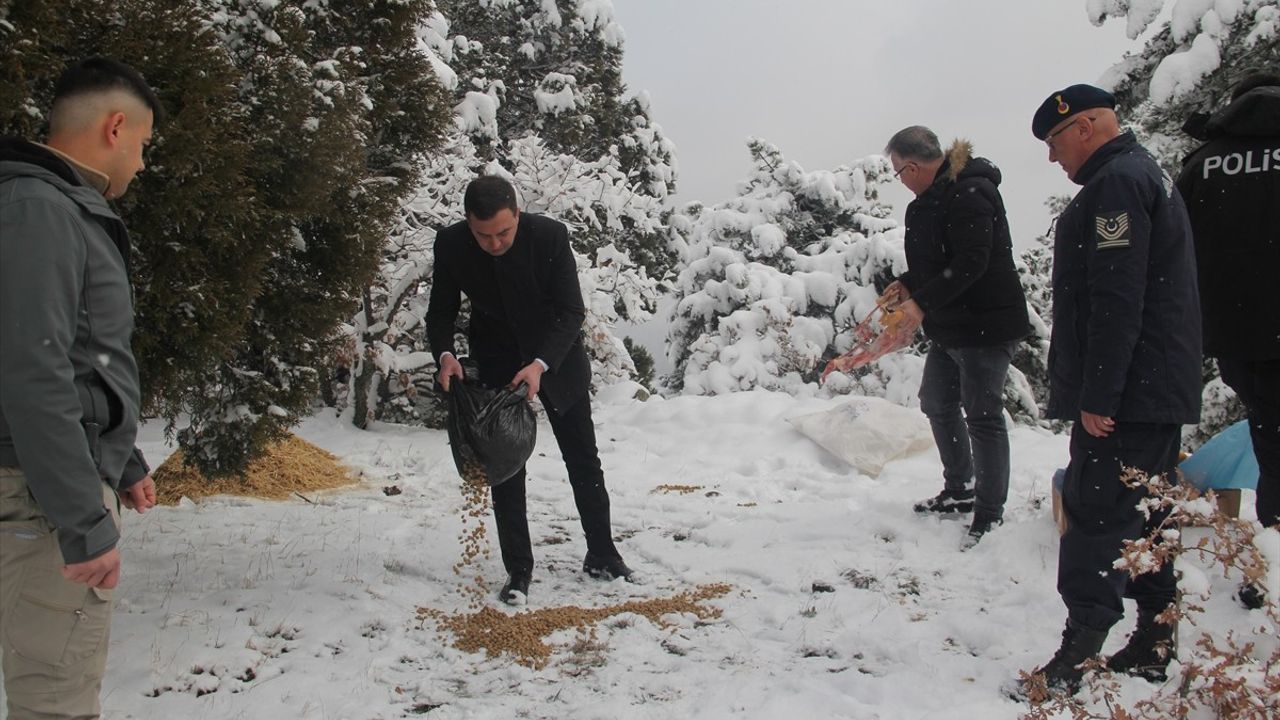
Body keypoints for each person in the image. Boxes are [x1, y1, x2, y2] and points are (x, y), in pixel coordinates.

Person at [1014, 84, 1202, 698]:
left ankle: (1081, 649)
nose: (1052, 158)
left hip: (1131, 391)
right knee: (1147, 511)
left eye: (1054, 142)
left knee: (1097, 512)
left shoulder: (1116, 185)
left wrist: (1101, 394)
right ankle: (1154, 638)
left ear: (1086, 127)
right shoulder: (1142, 173)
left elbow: (1117, 299)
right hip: (1153, 384)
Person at [1, 57, 161, 719]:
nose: (144, 165)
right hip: (40, 496)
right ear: (116, 127)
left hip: (49, 477)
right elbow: (33, 368)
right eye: (145, 145)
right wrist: (81, 521)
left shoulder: (44, 202)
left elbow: (82, 352)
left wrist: (121, 456)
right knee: (55, 702)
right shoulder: (41, 207)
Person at [426, 175, 633, 606]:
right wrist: (445, 354)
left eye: (504, 231)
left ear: (518, 215)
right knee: (505, 470)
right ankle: (518, 570)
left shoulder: (550, 237)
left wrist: (540, 365)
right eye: (484, 235)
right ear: (468, 224)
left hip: (555, 360)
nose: (495, 243)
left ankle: (602, 554)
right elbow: (440, 312)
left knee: (583, 460)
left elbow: (571, 309)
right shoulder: (450, 244)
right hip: (498, 364)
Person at [882, 126, 1030, 550]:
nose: (900, 180)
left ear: (912, 166)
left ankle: (989, 511)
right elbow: (935, 262)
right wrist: (906, 286)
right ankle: (960, 486)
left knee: (982, 414)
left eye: (898, 172)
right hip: (951, 326)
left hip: (986, 324)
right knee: (937, 401)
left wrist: (920, 304)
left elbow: (972, 261)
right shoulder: (924, 204)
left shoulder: (971, 193)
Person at [1177, 72, 1280, 610]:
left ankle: (1273, 560)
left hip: (1239, 333)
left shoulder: (1205, 163)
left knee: (1271, 441)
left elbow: (1177, 247)